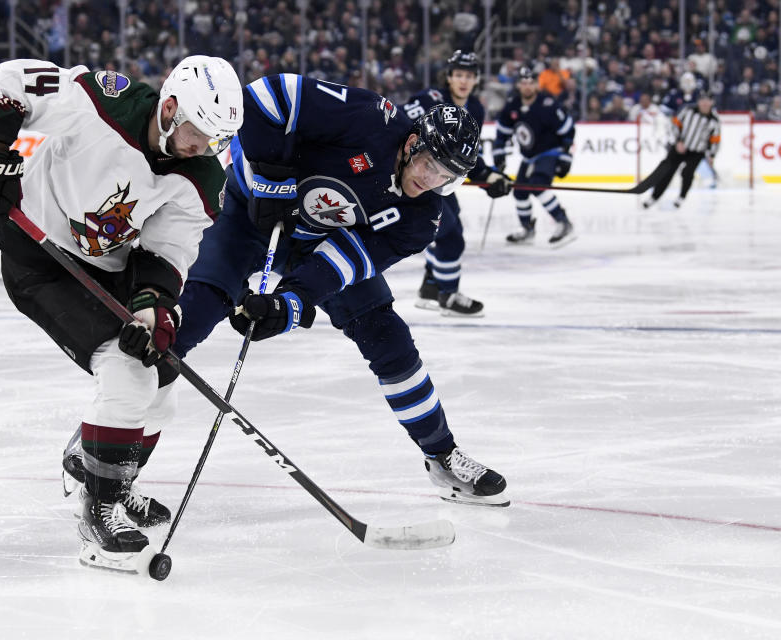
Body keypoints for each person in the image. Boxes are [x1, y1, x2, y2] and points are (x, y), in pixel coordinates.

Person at [171, 73, 511, 509]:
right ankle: (105, 450)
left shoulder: (420, 219)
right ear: (411, 144)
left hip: (316, 241)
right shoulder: (368, 118)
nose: (430, 181)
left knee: (388, 337)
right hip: (247, 212)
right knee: (193, 313)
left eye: (446, 177)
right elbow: (267, 97)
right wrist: (271, 179)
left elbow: (342, 263)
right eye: (429, 165)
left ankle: (441, 455)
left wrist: (289, 303)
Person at [0, 56, 243, 572]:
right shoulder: (104, 101)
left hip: (107, 270)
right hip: (40, 259)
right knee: (127, 377)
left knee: (161, 384)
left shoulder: (201, 176)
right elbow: (1, 82)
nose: (205, 148)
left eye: (217, 140)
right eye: (200, 134)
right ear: (171, 107)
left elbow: (168, 249)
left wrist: (154, 308)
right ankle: (100, 510)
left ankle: (105, 472)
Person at [401, 51, 510, 317]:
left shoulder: (476, 109)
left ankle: (430, 287)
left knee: (450, 222)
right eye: (458, 75)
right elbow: (400, 127)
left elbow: (465, 155)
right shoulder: (429, 99)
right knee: (450, 235)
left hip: (438, 180)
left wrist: (490, 176)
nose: (463, 81)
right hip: (416, 178)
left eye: (469, 76)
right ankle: (447, 296)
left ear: (476, 79)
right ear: (449, 77)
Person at [494, 66, 577, 247]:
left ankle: (564, 223)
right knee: (520, 192)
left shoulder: (548, 103)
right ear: (518, 85)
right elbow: (502, 132)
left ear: (536, 85)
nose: (527, 86)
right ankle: (527, 229)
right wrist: (499, 154)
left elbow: (568, 129)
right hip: (529, 157)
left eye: (531, 83)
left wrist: (565, 157)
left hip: (550, 151)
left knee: (538, 185)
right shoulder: (512, 105)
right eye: (524, 83)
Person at [641, 92, 720, 209]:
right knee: (667, 172)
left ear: (712, 103)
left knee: (687, 173)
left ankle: (681, 197)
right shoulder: (688, 110)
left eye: (707, 101)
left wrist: (712, 155)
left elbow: (715, 139)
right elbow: (674, 124)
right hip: (680, 146)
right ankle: (654, 197)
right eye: (702, 100)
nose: (704, 103)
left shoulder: (714, 120)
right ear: (698, 101)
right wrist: (678, 141)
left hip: (697, 151)